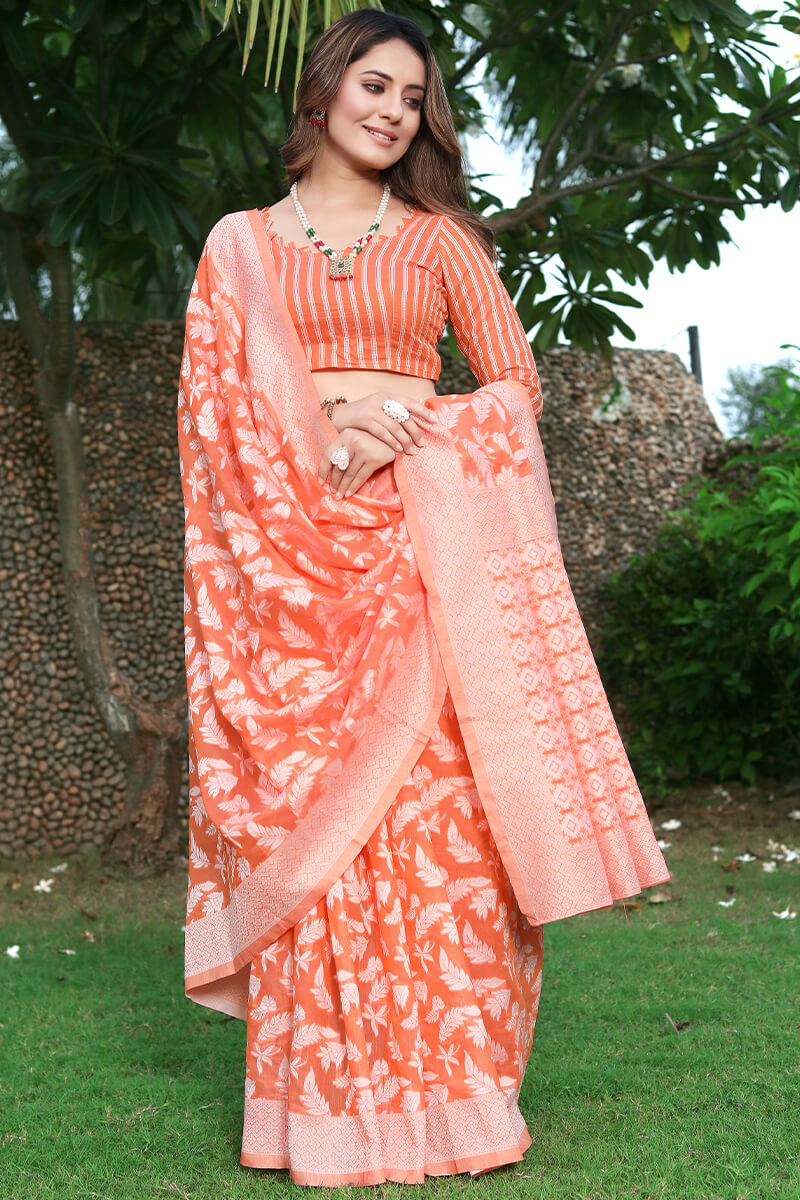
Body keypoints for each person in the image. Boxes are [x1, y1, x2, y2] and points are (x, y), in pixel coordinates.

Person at [177, 8, 670, 1188]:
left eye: (414, 97)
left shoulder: (440, 240)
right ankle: (323, 1117)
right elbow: (213, 418)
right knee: (325, 842)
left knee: (438, 832)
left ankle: (454, 1101)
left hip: (423, 556)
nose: (395, 110)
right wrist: (322, 433)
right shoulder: (237, 244)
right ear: (325, 88)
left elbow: (513, 388)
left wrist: (406, 422)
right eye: (376, 86)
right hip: (292, 572)